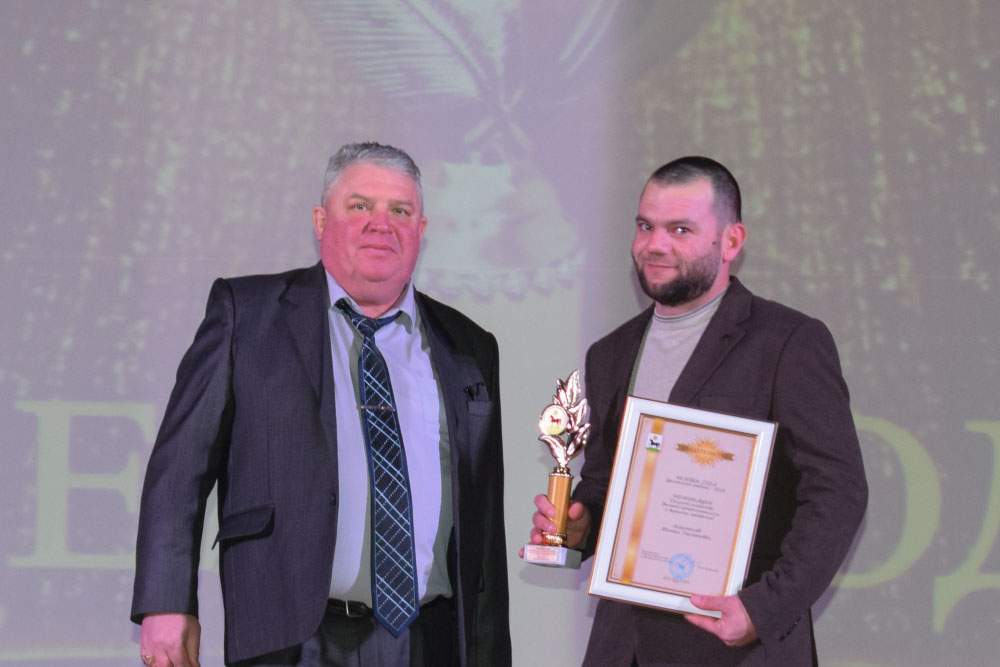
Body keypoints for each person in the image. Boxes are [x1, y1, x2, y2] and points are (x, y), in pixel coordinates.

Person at [132, 142, 511, 666]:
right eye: (360, 206)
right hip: (293, 639)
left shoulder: (469, 345)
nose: (381, 224)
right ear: (320, 220)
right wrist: (166, 602)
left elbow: (483, 523)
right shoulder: (248, 314)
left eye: (400, 211)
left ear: (421, 230)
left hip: (432, 639)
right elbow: (181, 468)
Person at [527, 156, 867, 665]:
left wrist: (762, 608)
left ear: (731, 241)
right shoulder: (610, 353)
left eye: (680, 230)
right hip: (623, 647)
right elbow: (603, 480)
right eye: (645, 226)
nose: (655, 244)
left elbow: (838, 492)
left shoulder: (788, 342)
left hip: (735, 648)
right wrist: (579, 527)